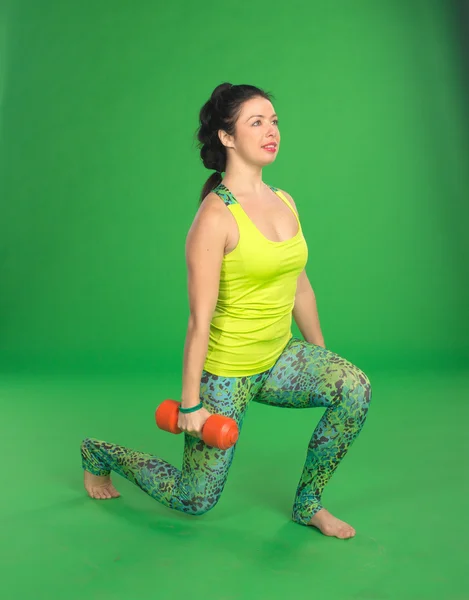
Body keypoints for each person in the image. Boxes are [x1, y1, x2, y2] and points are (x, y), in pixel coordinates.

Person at [81, 82, 372, 540]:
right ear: (227, 137)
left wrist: (321, 357)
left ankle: (308, 504)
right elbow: (199, 319)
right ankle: (100, 454)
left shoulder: (286, 201)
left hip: (279, 357)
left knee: (354, 389)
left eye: (274, 121)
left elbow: (301, 288)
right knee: (193, 499)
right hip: (227, 372)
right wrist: (192, 403)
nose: (271, 130)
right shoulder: (215, 217)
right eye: (256, 122)